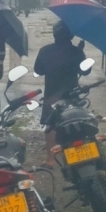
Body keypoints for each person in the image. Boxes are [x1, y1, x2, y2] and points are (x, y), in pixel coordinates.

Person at [34, 21, 89, 164]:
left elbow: (38, 70)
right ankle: (78, 156)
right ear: (71, 35)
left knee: (50, 125)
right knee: (76, 122)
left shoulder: (44, 50)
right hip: (72, 94)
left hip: (51, 95)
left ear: (54, 34)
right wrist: (81, 51)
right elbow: (86, 70)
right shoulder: (76, 51)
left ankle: (50, 159)